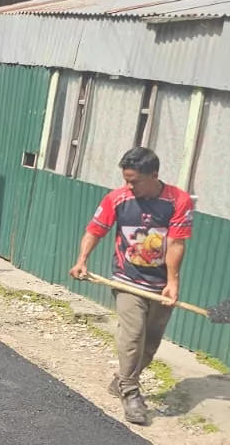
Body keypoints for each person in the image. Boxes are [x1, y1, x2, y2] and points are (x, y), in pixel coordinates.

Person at [70, 147, 194, 425]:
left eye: (135, 181)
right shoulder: (118, 199)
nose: (129, 186)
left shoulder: (178, 201)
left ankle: (122, 380)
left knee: (149, 345)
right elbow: (95, 229)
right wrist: (82, 260)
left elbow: (176, 243)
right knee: (133, 335)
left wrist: (172, 283)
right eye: (126, 179)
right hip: (127, 279)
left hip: (160, 285)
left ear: (154, 175)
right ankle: (131, 392)